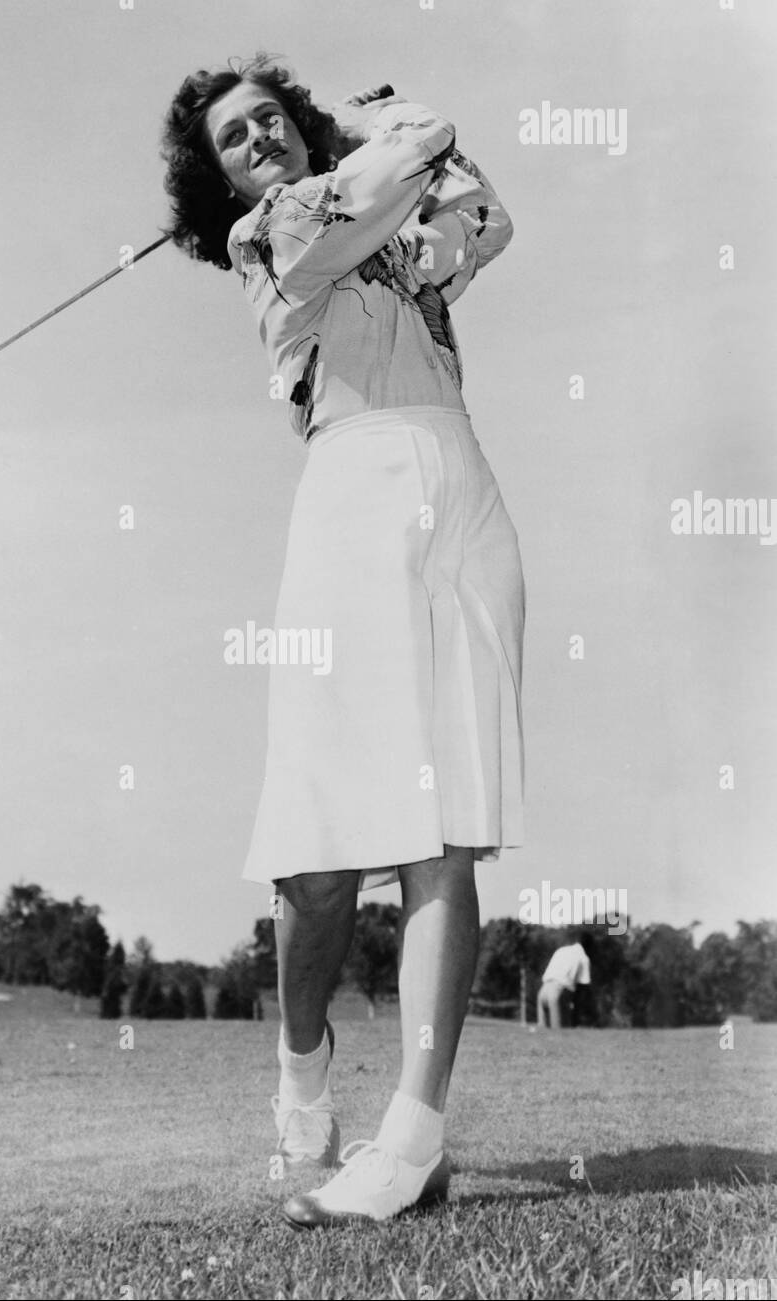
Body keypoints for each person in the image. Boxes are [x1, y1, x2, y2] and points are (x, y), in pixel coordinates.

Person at [161, 54, 524, 1226]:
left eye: (271, 116)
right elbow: (400, 166)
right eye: (233, 135)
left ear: (304, 127)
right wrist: (401, 123)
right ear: (216, 179)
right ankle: (301, 1079)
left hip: (455, 482)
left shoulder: (381, 216)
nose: (259, 135)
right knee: (316, 871)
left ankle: (411, 1137)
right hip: (349, 496)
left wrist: (404, 134)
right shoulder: (268, 237)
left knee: (444, 831)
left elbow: (483, 218)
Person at [537, 932, 591, 1030]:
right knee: (560, 1034)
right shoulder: (583, 958)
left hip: (543, 991)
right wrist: (575, 1020)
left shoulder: (561, 950)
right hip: (558, 992)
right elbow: (581, 991)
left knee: (543, 1033)